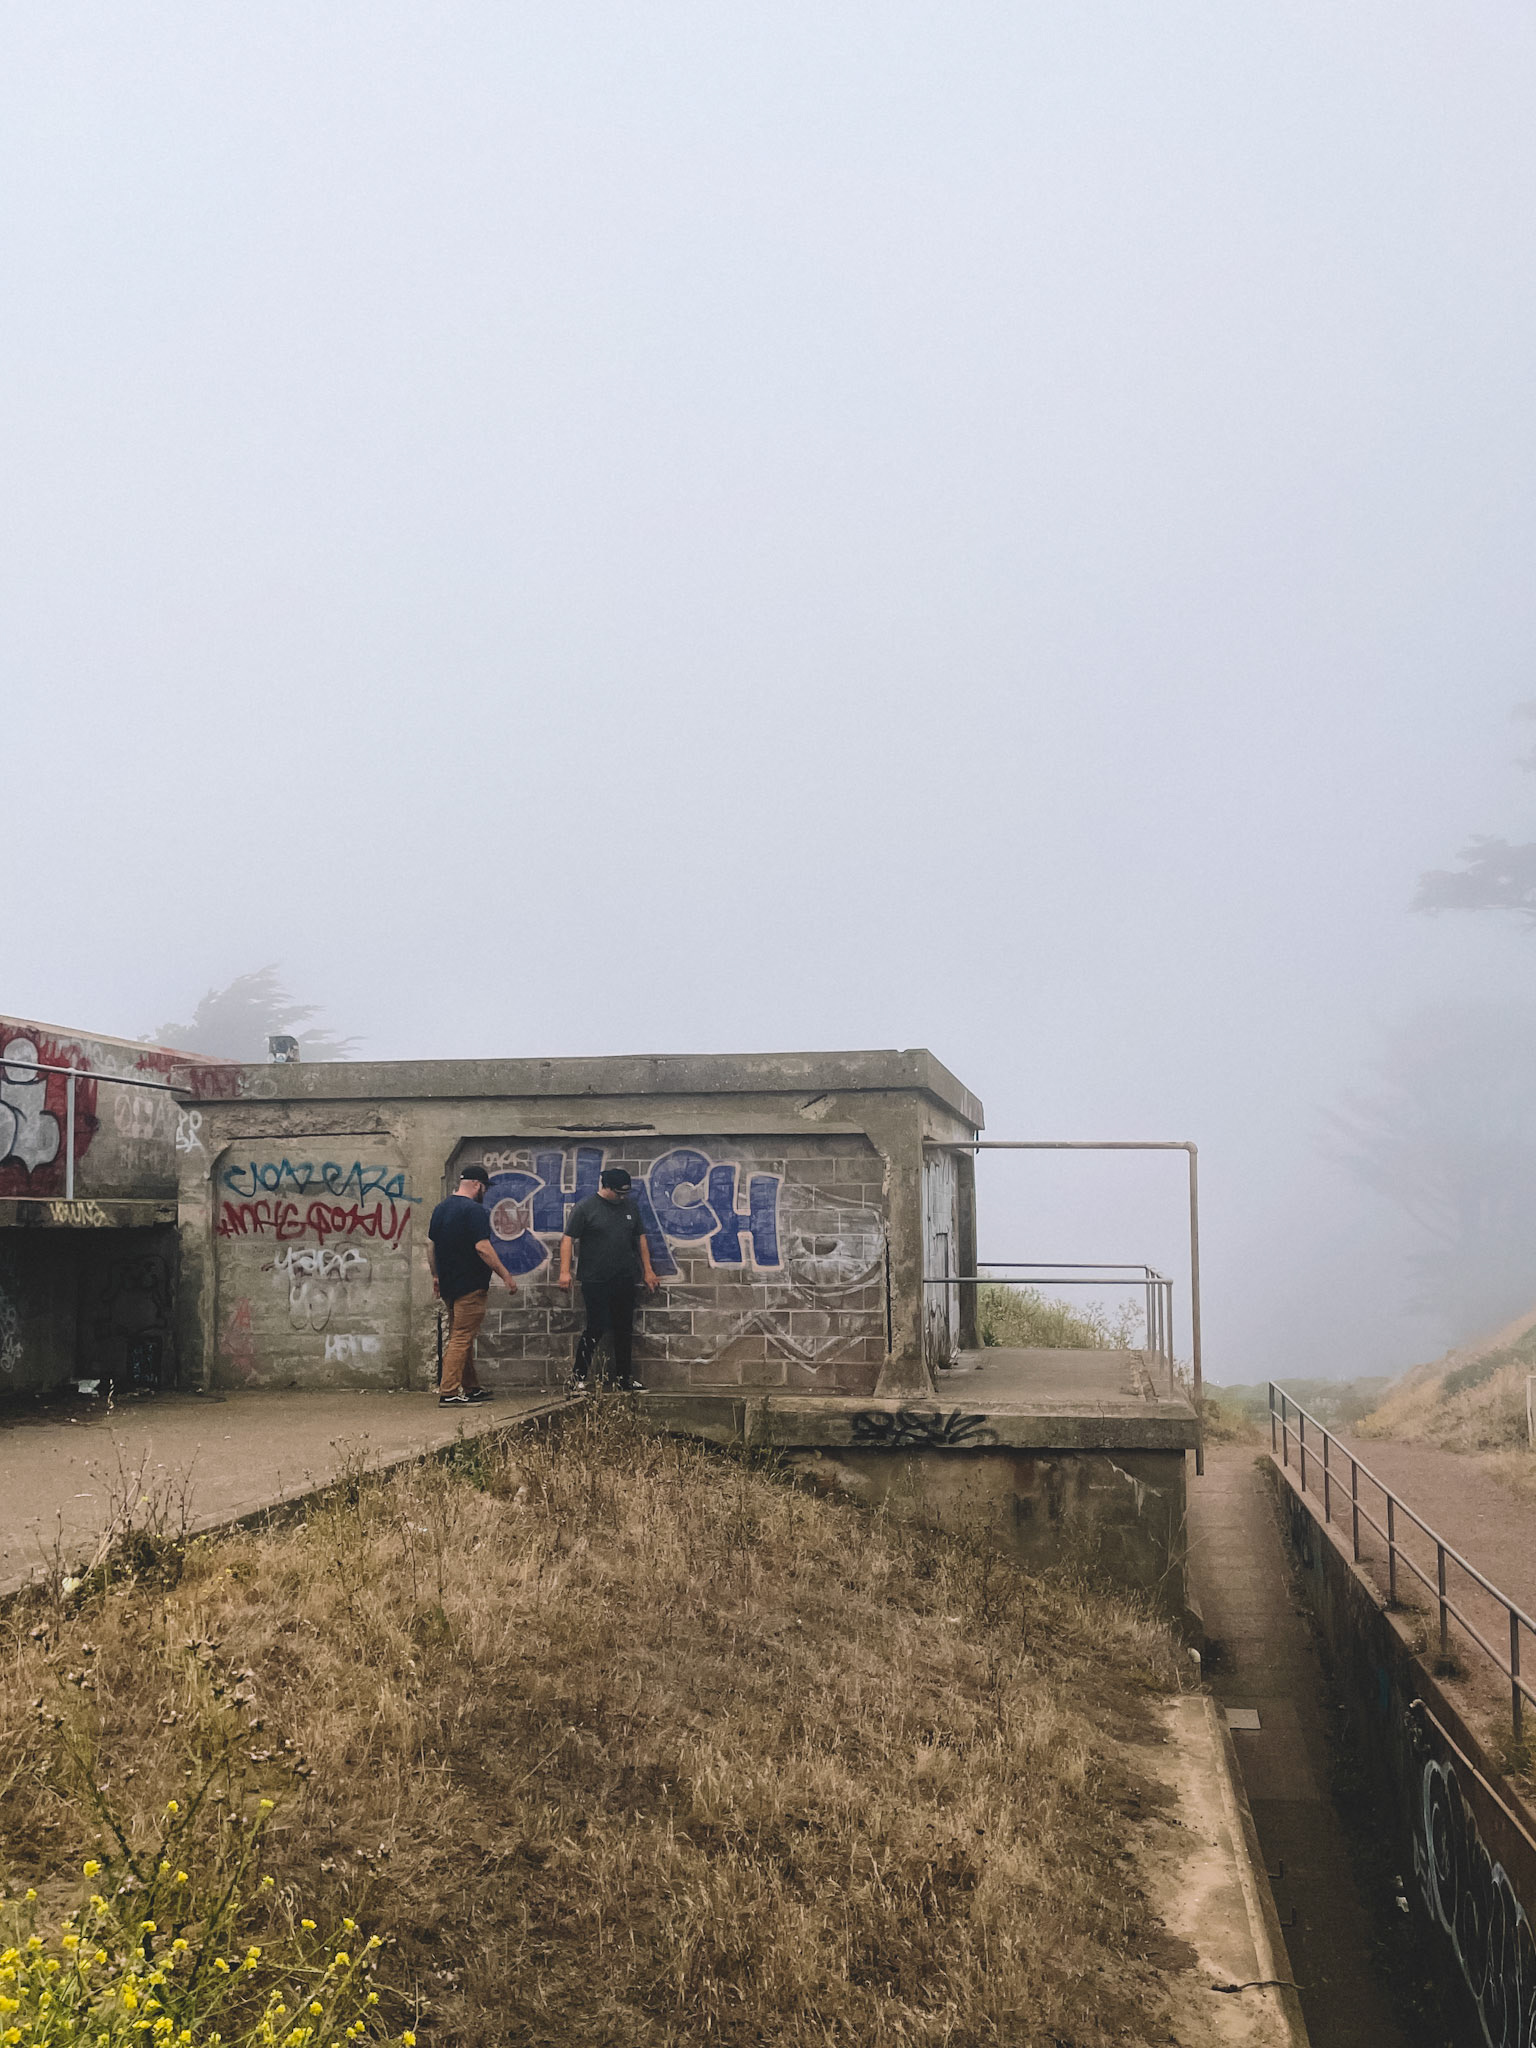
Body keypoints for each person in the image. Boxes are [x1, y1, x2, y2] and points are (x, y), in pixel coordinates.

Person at [427, 1165, 521, 1406]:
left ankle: (471, 1387)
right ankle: (449, 1392)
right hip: (470, 1286)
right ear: (477, 1185)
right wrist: (506, 1276)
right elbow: (482, 1248)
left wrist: (436, 1276)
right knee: (461, 1337)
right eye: (484, 1188)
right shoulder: (474, 1211)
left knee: (462, 1335)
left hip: (449, 1285)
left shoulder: (441, 1208)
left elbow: (431, 1246)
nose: (485, 1192)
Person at [558, 1165, 658, 1390]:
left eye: (625, 1193)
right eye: (619, 1193)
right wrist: (565, 1271)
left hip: (624, 1277)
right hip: (595, 1279)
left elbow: (640, 1238)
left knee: (624, 1329)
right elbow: (568, 1239)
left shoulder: (630, 1207)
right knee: (596, 1327)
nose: (622, 1197)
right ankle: (578, 1377)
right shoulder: (586, 1208)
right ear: (606, 1187)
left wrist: (648, 1269)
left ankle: (624, 1378)